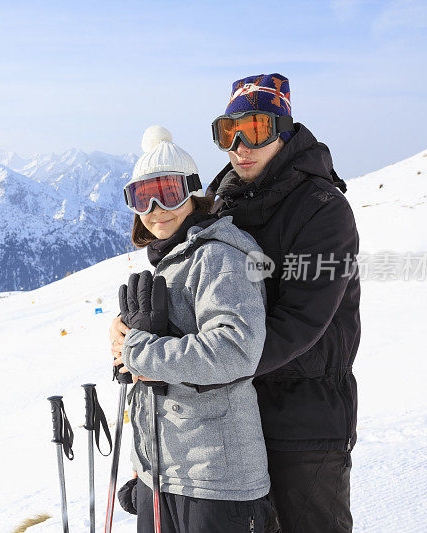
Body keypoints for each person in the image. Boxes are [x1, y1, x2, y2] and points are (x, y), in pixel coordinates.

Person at [113, 74, 361, 532]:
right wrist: (133, 331)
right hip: (234, 420)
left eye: (257, 129)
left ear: (284, 131)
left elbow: (301, 321)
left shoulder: (323, 209)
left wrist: (199, 365)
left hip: (304, 418)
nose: (240, 146)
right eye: (228, 133)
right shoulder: (225, 197)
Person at [111, 125, 273, 532]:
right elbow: (156, 377)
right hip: (164, 475)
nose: (155, 208)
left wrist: (140, 349)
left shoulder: (218, 256)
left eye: (168, 192)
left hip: (216, 483)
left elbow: (236, 349)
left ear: (194, 193)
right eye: (141, 197)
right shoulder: (172, 260)